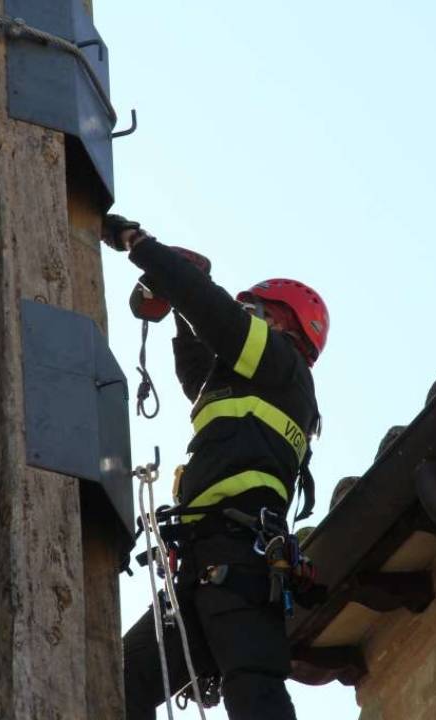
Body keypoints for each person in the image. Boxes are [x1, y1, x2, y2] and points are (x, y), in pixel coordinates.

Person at [101, 214, 329, 720]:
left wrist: (139, 246)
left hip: (239, 558)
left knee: (256, 696)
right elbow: (201, 375)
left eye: (253, 309)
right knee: (115, 685)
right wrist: (178, 304)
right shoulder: (254, 383)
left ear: (282, 323)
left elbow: (217, 317)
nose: (243, 314)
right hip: (204, 563)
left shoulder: (278, 362)